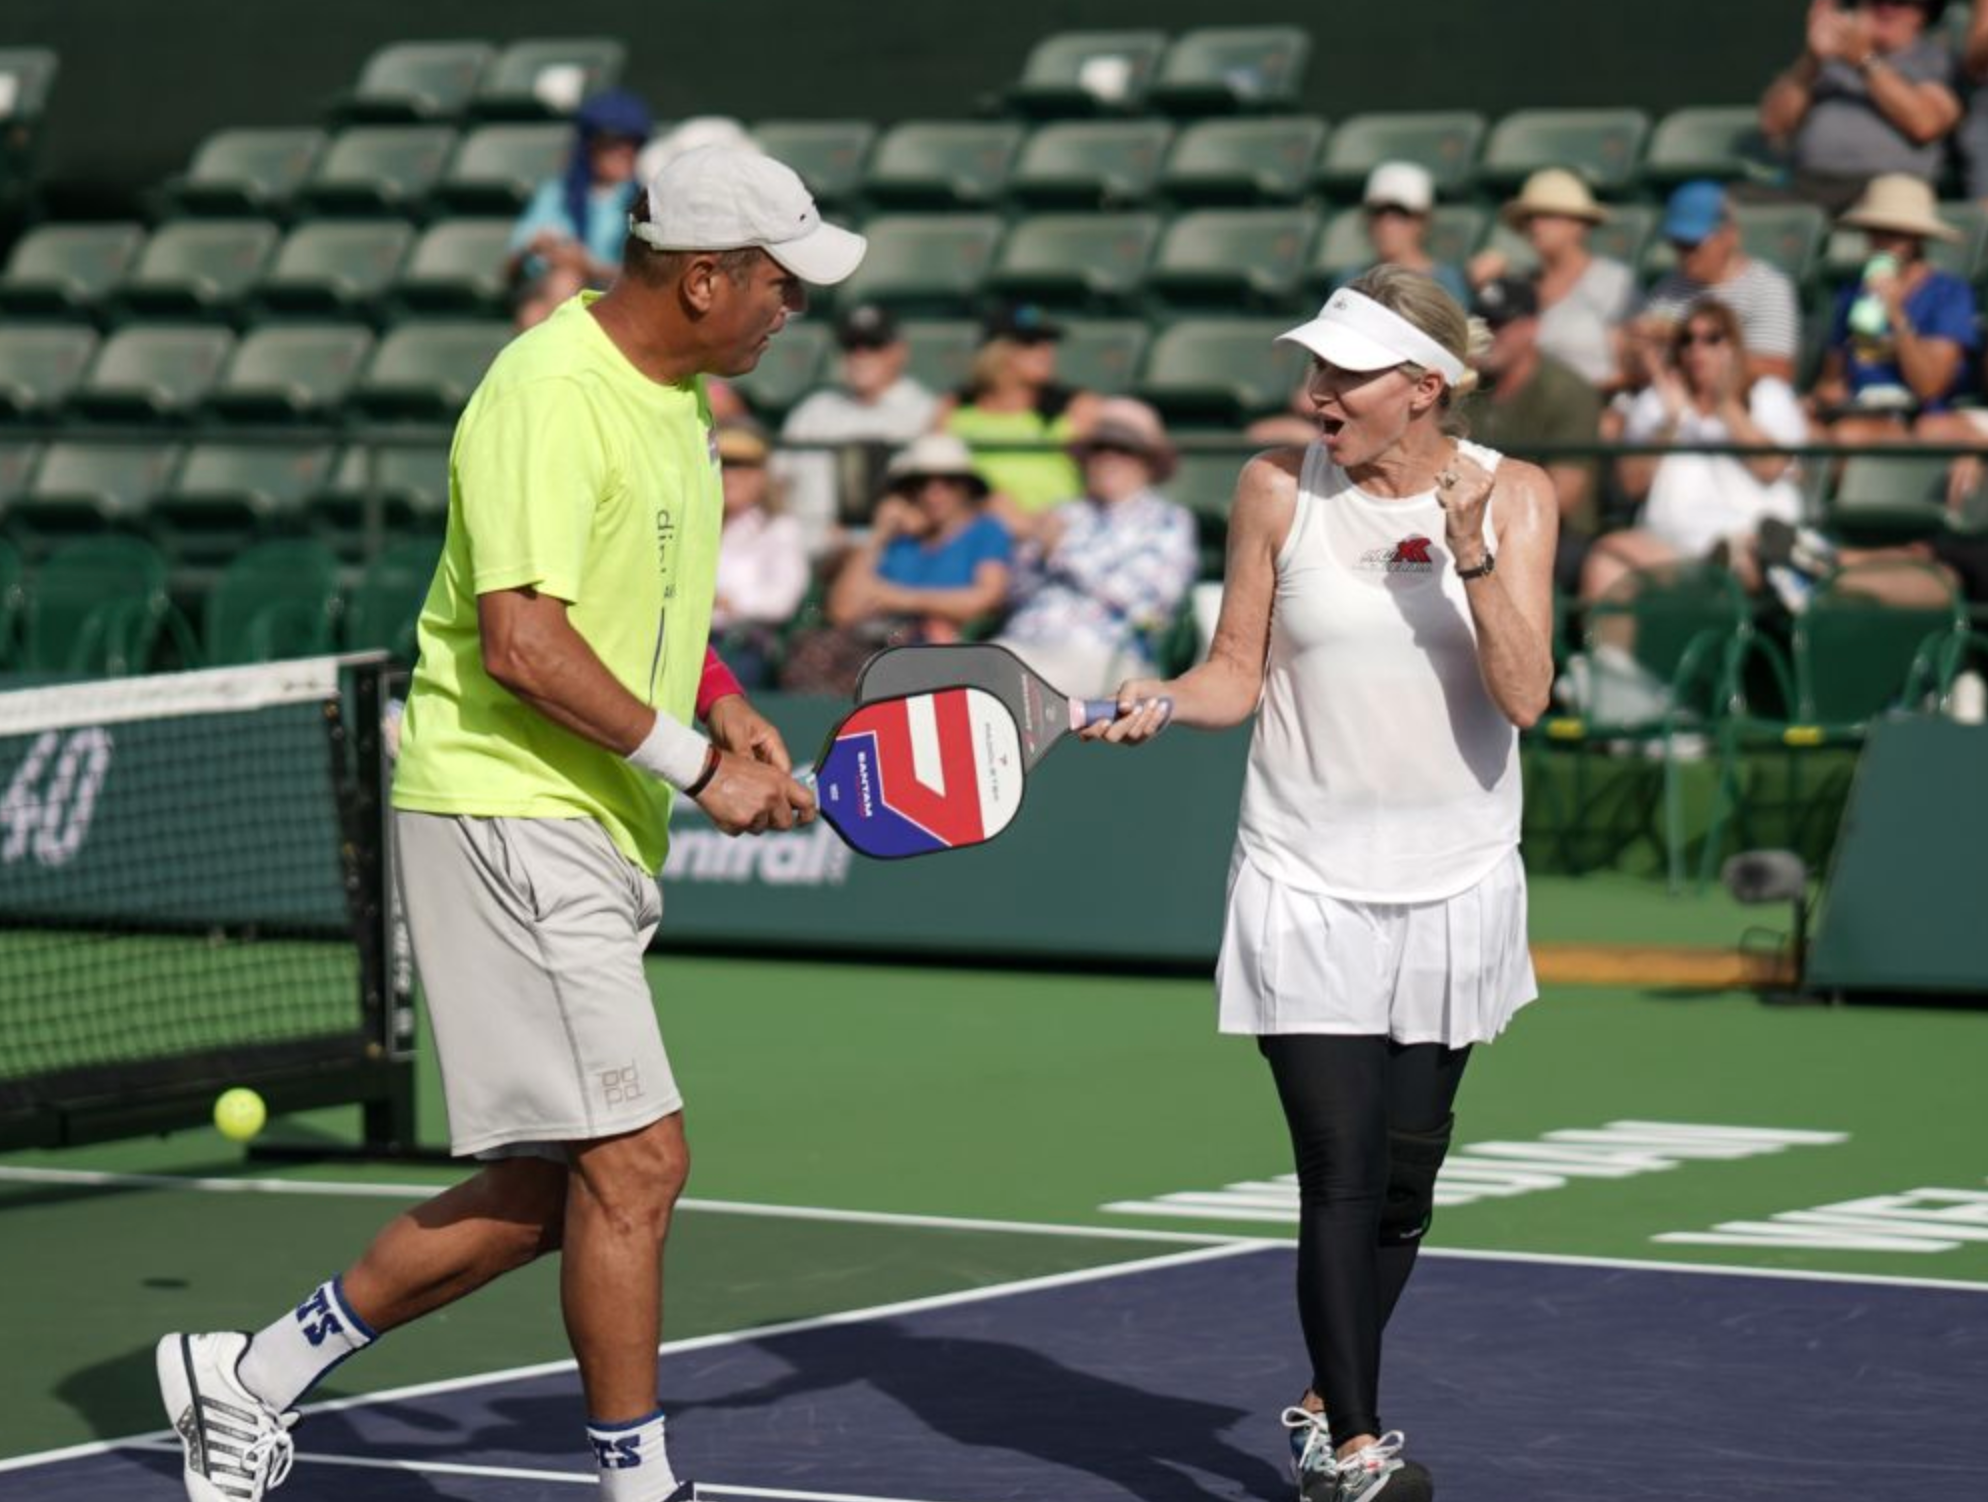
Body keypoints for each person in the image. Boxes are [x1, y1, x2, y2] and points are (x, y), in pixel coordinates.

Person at [156, 145, 865, 1502]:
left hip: (586, 813)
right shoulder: (546, 391)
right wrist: (698, 770)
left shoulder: (680, 401)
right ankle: (637, 1482)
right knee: (642, 1160)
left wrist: (718, 703)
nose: (795, 309)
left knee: (563, 1194)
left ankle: (246, 1375)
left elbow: (644, 595)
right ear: (704, 276)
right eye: (783, 283)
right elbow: (526, 645)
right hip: (508, 802)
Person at [1088, 267, 1556, 1502]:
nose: (1316, 393)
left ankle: (1314, 1398)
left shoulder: (1518, 494)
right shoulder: (1272, 489)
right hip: (1301, 876)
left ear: (1423, 386)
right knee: (1340, 1167)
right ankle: (1352, 1445)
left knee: (1405, 1179)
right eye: (1316, 370)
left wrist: (1471, 558)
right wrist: (1164, 697)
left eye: (1344, 374)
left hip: (1456, 882)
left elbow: (1522, 695)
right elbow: (1234, 670)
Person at [1585, 300, 1810, 603]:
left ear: (1734, 345)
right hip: (1673, 546)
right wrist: (1672, 422)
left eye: (1713, 338)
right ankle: (1609, 653)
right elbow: (1631, 485)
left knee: (1741, 557)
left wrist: (1724, 404)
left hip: (1751, 536)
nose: (1697, 349)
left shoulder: (1767, 394)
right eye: (1687, 340)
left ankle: (1766, 585)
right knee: (1607, 557)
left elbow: (1771, 467)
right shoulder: (1657, 401)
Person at [781, 432, 1014, 694]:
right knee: (813, 652)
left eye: (949, 482)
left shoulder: (986, 531)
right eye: (920, 482)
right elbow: (843, 610)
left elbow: (986, 597)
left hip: (936, 649)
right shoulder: (898, 540)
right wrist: (879, 534)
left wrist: (898, 598)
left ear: (967, 487)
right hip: (877, 642)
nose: (933, 492)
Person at [996, 397, 1199, 694]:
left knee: (1009, 692)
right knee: (956, 679)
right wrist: (1034, 551)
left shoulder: (1168, 521)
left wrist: (1063, 551)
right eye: (1099, 449)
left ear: (1147, 462)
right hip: (1023, 642)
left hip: (1104, 654)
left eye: (1124, 450)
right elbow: (1014, 594)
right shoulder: (1062, 513)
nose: (1109, 459)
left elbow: (1149, 606)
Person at [1812, 172, 1980, 443]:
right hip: (1858, 410)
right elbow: (1832, 377)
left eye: (1895, 233)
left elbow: (1930, 387)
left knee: (1847, 437)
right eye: (1875, 231)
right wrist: (1826, 394)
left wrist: (1896, 315)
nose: (1882, 241)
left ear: (1917, 237)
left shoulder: (1949, 293)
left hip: (1916, 417)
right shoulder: (1852, 293)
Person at [1462, 275, 1604, 592]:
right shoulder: (1466, 386)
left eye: (1498, 325)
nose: (1486, 335)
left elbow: (1561, 496)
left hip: (1555, 533)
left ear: (1531, 327)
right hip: (1472, 524)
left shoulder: (1568, 391)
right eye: (1479, 324)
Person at [1758, 0, 1961, 214]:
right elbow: (1773, 124)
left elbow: (1925, 124)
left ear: (1922, 13)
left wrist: (1864, 59)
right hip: (1807, 187)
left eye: (1900, 2)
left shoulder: (1934, 60)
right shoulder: (1827, 62)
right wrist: (1811, 59)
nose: (1886, 7)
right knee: (1730, 210)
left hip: (1885, 194)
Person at [775, 302, 940, 555]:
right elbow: (776, 482)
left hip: (891, 554)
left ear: (899, 351)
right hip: (802, 554)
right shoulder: (814, 410)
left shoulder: (926, 412)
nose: (860, 355)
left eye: (873, 345)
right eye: (851, 346)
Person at [1468, 168, 1637, 390]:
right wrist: (1485, 291)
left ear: (1580, 224)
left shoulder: (1615, 282)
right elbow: (1487, 359)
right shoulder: (1517, 285)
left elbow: (1630, 369)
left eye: (1548, 216)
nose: (1535, 226)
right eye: (1529, 217)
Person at [508, 89, 654, 330]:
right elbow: (509, 269)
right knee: (539, 306)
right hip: (553, 292)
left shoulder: (642, 200)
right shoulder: (556, 193)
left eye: (634, 143)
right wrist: (533, 247)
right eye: (614, 143)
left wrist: (588, 266)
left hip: (615, 300)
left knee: (553, 294)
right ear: (591, 146)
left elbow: (649, 277)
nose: (626, 152)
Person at [1635, 180, 1803, 383]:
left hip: (1739, 404)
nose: (1686, 254)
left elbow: (1777, 369)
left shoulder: (1767, 287)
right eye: (1678, 244)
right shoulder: (1668, 288)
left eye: (1693, 243)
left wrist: (1683, 337)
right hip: (1672, 397)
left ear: (1730, 235)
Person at [943, 304, 1100, 516]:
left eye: (1049, 343)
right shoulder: (954, 408)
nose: (1046, 352)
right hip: (977, 528)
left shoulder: (1077, 406)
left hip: (1056, 528)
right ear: (997, 351)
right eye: (1031, 343)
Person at [712, 421, 810, 689]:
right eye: (723, 464)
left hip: (744, 644)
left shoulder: (780, 529)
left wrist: (728, 601)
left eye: (742, 466)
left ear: (761, 475)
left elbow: (782, 600)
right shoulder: (699, 526)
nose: (729, 475)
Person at [1332, 161, 1470, 305]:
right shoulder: (1349, 280)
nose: (1386, 224)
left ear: (1422, 221)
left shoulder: (1447, 284)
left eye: (1400, 213)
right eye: (1378, 212)